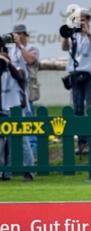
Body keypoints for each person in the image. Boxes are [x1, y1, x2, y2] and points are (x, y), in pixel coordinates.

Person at [62, 9, 91, 155]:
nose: (81, 22)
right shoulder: (73, 34)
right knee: (77, 109)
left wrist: (88, 34)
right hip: (75, 74)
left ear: (88, 20)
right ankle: (82, 143)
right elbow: (64, 48)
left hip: (90, 74)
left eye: (83, 19)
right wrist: (66, 35)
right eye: (78, 19)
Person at [0, 47, 34, 181]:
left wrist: (8, 64)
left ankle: (29, 171)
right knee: (2, 144)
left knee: (23, 141)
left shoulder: (17, 68)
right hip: (2, 110)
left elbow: (20, 77)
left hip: (16, 110)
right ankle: (4, 172)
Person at [11, 24, 40, 159]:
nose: (17, 36)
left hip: (26, 91)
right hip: (11, 92)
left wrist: (20, 46)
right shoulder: (10, 50)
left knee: (28, 123)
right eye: (15, 34)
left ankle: (33, 155)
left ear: (24, 35)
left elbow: (30, 60)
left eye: (19, 34)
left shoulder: (32, 48)